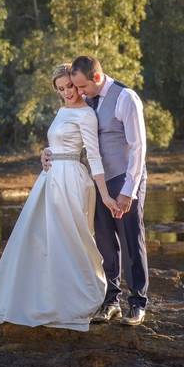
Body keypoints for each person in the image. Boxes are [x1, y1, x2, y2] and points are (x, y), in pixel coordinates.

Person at [0, 63, 118, 331]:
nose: (67, 93)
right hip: (50, 179)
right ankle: (47, 296)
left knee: (71, 239)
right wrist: (46, 151)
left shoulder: (87, 114)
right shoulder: (61, 111)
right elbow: (58, 141)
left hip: (72, 180)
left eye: (70, 87)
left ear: (76, 81)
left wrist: (105, 194)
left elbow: (93, 156)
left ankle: (78, 298)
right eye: (61, 89)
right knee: (43, 239)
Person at [42, 55, 149, 326]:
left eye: (81, 87)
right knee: (103, 241)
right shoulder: (86, 101)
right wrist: (48, 152)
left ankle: (137, 303)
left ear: (96, 78)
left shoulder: (126, 98)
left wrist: (128, 191)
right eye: (74, 88)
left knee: (130, 239)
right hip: (95, 182)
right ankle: (111, 299)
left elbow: (138, 148)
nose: (78, 92)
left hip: (123, 178)